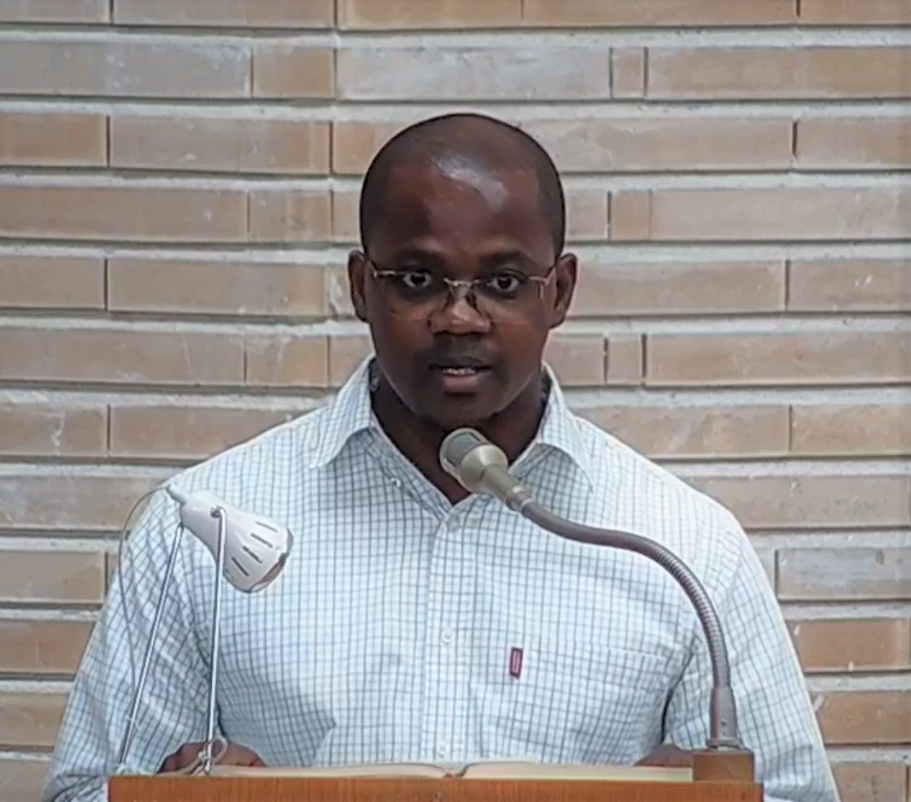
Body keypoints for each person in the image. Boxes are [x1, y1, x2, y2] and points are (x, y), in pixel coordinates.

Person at [43, 112, 839, 802]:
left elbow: (789, 792)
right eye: (418, 279)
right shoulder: (202, 527)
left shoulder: (680, 546)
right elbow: (85, 790)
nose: (460, 318)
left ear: (559, 292)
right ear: (361, 288)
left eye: (503, 282)